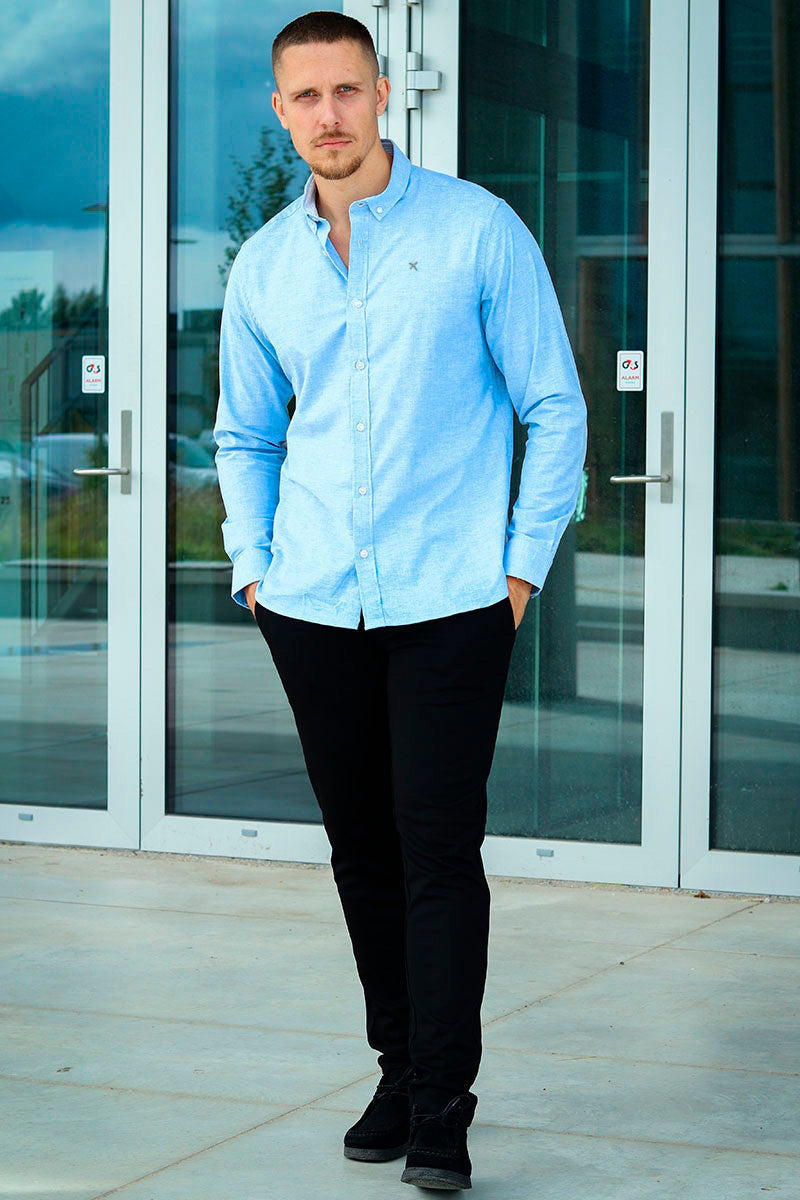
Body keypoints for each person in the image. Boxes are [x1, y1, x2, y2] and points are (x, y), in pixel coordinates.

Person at [214, 10, 587, 1191]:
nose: (327, 115)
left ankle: (440, 1104)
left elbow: (552, 405)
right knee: (360, 852)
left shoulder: (475, 229)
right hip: (312, 603)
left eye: (346, 90)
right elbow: (243, 434)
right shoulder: (263, 266)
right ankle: (396, 1064)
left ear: (383, 94)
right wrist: (255, 567)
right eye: (304, 96)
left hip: (450, 598)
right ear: (280, 112)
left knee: (435, 848)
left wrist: (517, 571)